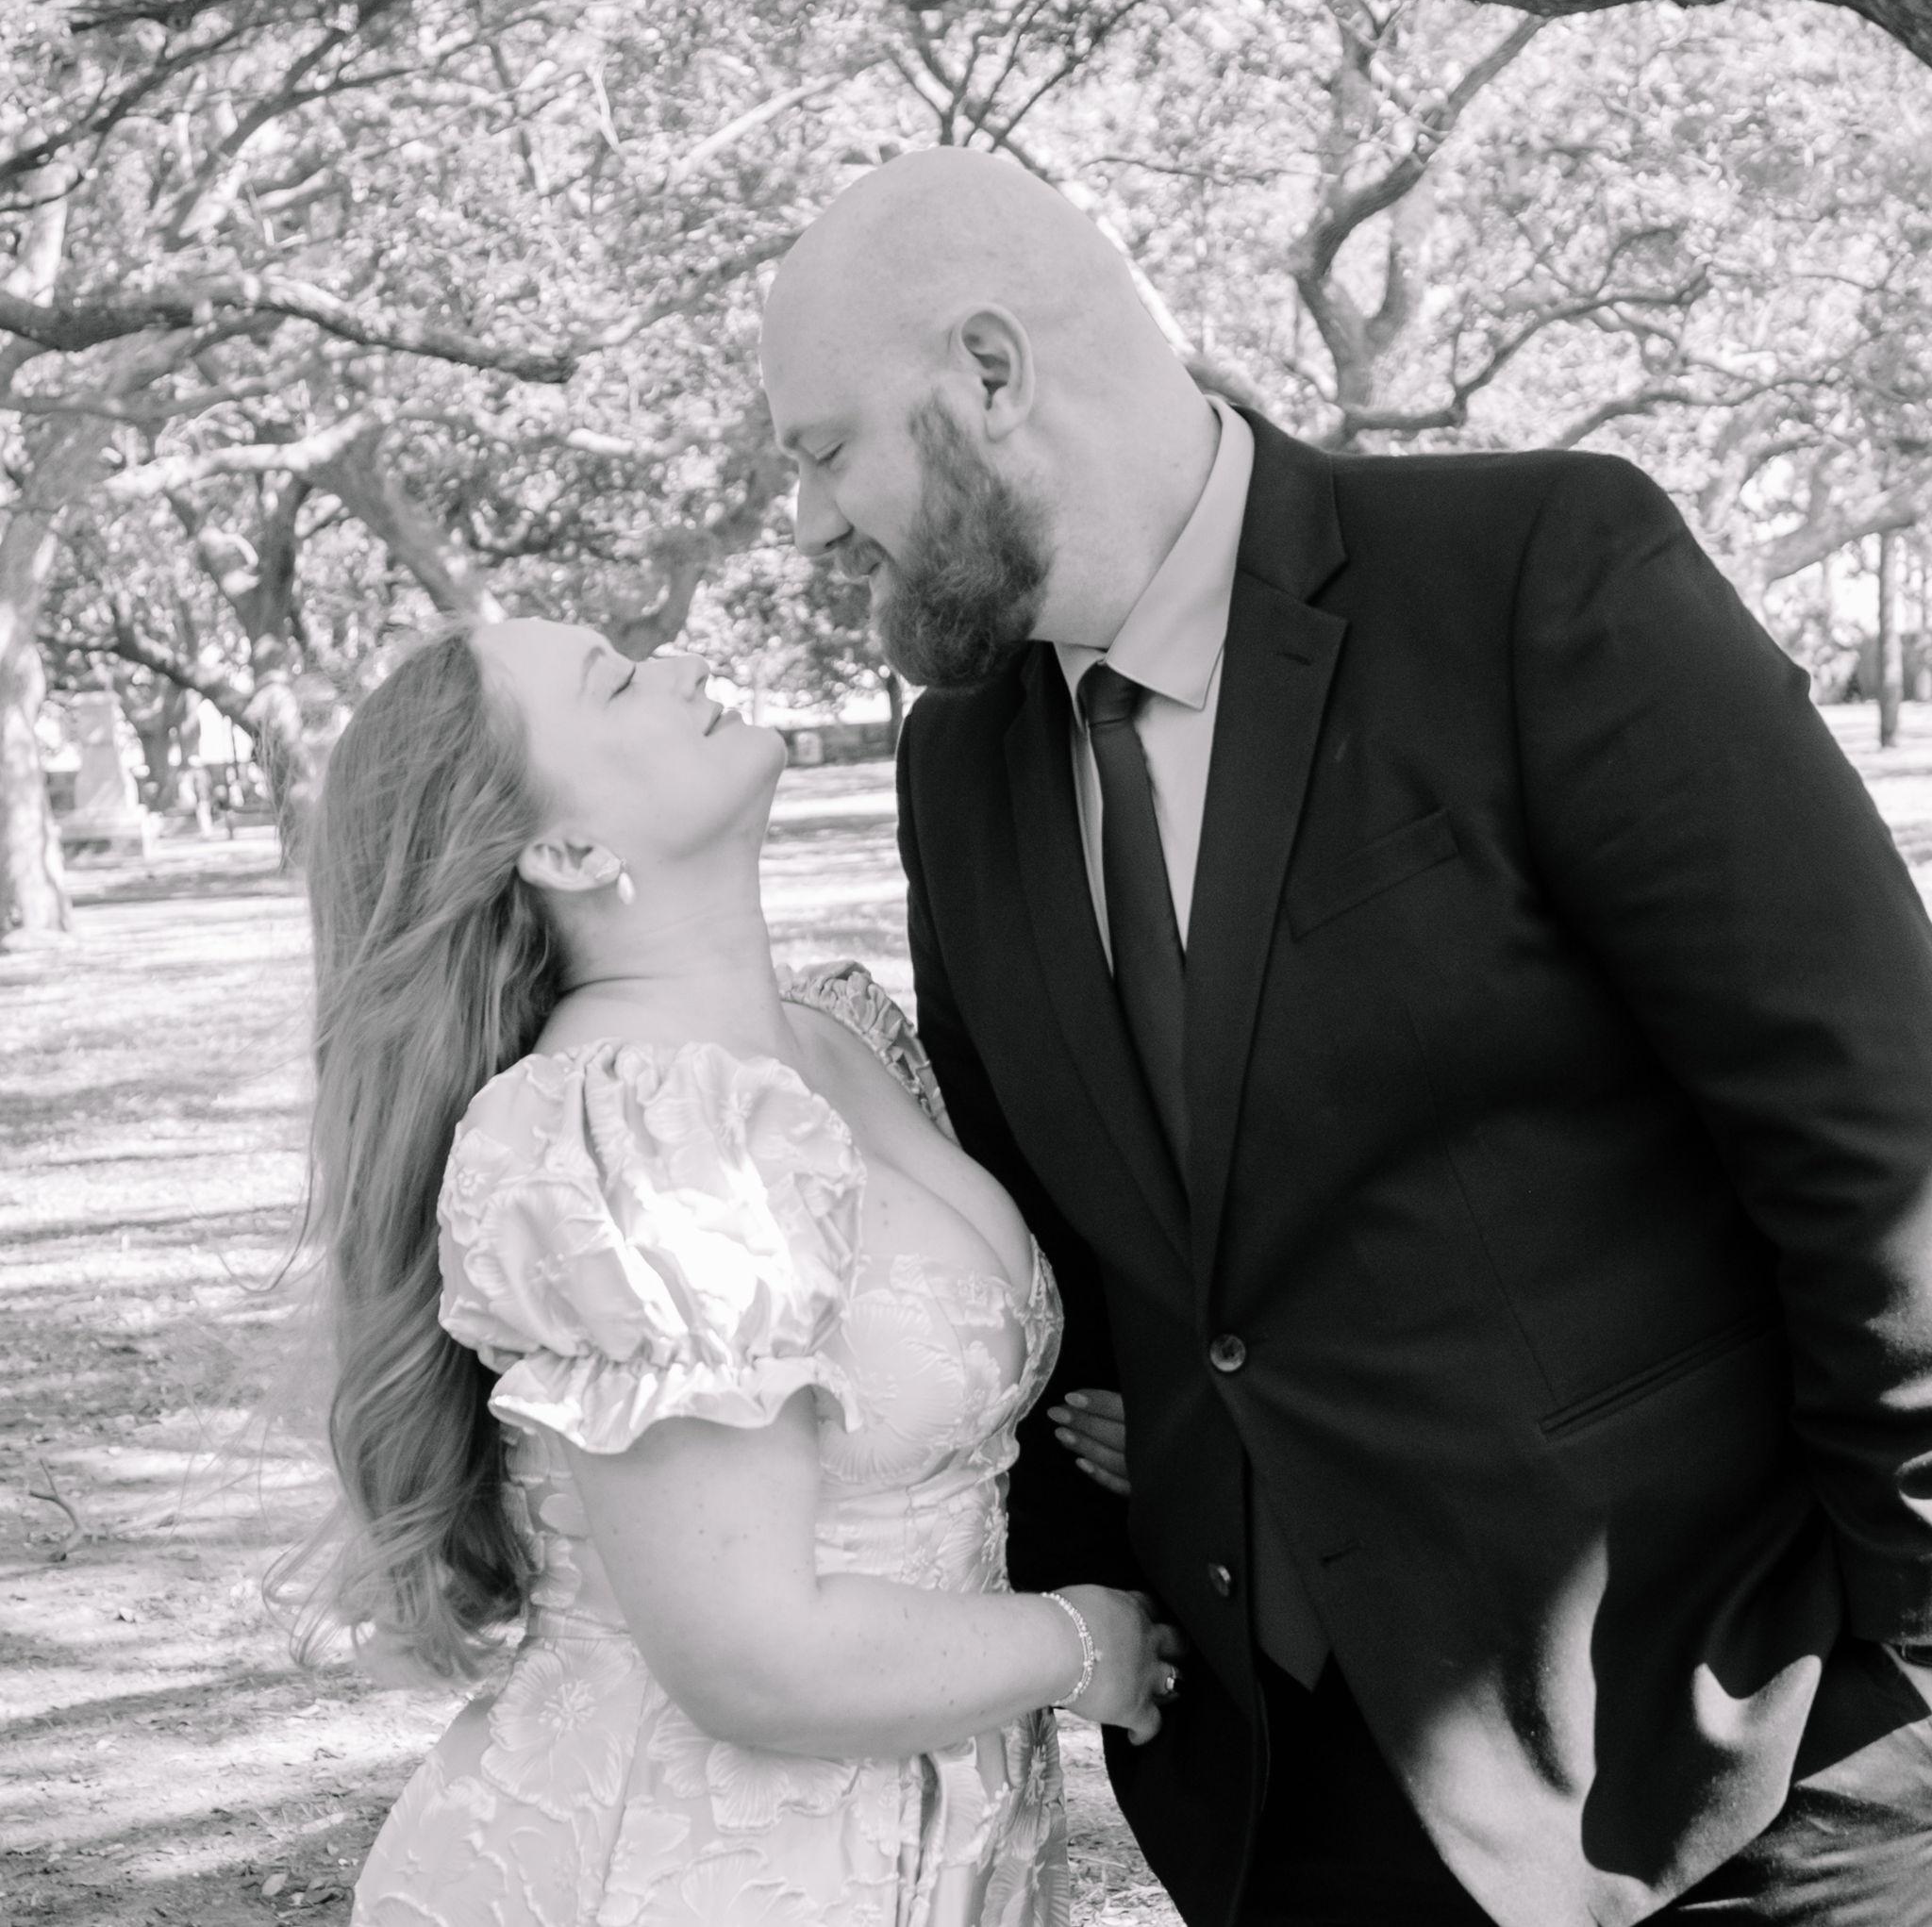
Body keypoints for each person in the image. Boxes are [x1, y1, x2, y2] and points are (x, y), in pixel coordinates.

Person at [758, 147, 1932, 1927]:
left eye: (825, 450)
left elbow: (1873, 1128)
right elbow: (1065, 1256)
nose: (811, 525)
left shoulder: (1534, 575)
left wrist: (1907, 1667)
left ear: (989, 373)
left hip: (1738, 1772)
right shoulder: (960, 767)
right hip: (1279, 1817)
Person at [287, 618, 1184, 1926]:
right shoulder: (631, 1133)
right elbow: (754, 1656)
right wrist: (1083, 1641)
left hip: (938, 1830)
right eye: (616, 682)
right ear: (567, 853)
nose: (683, 665)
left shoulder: (838, 1035)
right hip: (702, 1863)